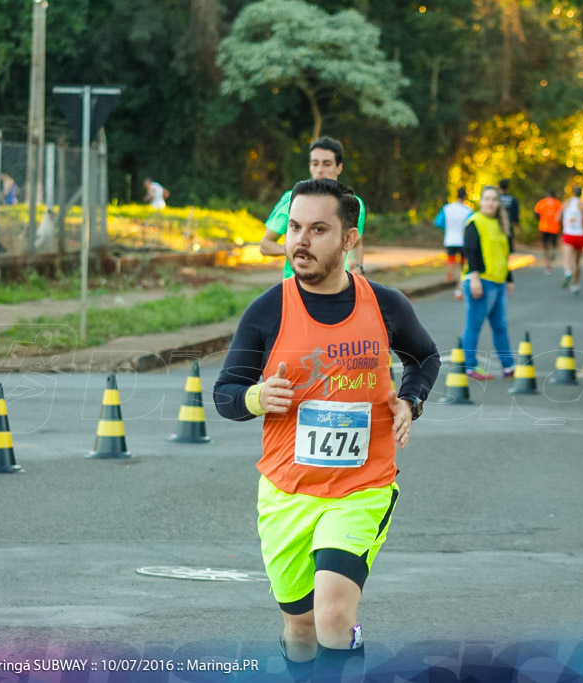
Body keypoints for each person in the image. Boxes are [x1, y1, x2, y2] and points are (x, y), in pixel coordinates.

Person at [213, 179, 440, 679]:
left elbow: (424, 358)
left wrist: (410, 399)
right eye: (295, 227)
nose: (301, 240)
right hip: (286, 493)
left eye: (318, 229)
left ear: (348, 239)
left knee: (334, 615)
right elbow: (226, 394)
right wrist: (256, 397)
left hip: (362, 488)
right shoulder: (268, 310)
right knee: (300, 628)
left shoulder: (385, 305)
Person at [260, 137, 365, 279]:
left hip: (339, 289)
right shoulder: (293, 200)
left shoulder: (353, 203)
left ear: (339, 167)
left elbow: (357, 243)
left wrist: (358, 267)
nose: (320, 170)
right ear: (310, 167)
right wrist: (300, 250)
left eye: (327, 164)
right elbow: (266, 245)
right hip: (297, 288)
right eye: (315, 164)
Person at [460, 185, 515, 381]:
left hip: (498, 283)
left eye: (494, 199)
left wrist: (509, 280)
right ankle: (470, 367)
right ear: (481, 201)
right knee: (474, 325)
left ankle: (509, 367)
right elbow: (470, 251)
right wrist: (474, 278)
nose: (491, 203)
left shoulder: (501, 225)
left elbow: (504, 255)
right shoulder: (475, 222)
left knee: (500, 326)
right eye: (487, 199)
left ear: (499, 203)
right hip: (481, 282)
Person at [434, 187, 473, 291]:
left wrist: (448, 226)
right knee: (463, 262)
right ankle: (461, 280)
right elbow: (471, 226)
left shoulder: (447, 208)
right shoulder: (468, 210)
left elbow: (437, 222)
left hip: (450, 238)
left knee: (450, 258)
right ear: (465, 196)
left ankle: (450, 276)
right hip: (462, 239)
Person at [556, 186, 583, 294]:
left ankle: (567, 272)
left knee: (567, 257)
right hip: (580, 234)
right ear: (581, 194)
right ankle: (575, 285)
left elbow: (557, 218)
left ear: (572, 193)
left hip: (568, 234)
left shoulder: (566, 204)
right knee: (577, 262)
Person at [533, 189, 562, 275]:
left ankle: (548, 264)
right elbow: (561, 216)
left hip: (544, 227)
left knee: (545, 247)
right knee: (553, 244)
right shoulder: (558, 203)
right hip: (554, 228)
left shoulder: (541, 202)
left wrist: (541, 220)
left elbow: (536, 214)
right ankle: (553, 251)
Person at [498, 178, 520, 254]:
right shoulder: (513, 199)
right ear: (508, 187)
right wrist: (517, 224)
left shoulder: (496, 199)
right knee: (508, 248)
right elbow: (516, 215)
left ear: (499, 186)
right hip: (509, 227)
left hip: (497, 226)